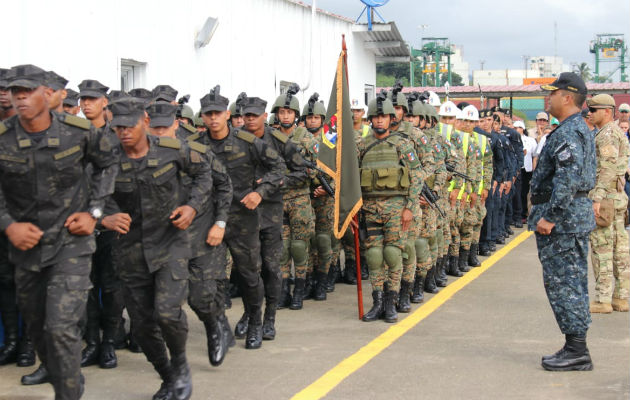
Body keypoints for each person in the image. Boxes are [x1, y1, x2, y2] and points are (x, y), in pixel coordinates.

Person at [0, 64, 119, 399]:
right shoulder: (4, 136)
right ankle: (66, 379)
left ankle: (67, 393)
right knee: (39, 330)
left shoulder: (78, 131)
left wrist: (94, 213)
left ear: (47, 94)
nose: (20, 98)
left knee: (61, 328)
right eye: (15, 92)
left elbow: (108, 164)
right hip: (27, 247)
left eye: (28, 91)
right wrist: (8, 225)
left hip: (71, 244)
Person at [103, 97, 215, 400]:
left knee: (167, 313)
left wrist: (192, 207)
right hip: (130, 249)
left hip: (170, 243)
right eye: (118, 127)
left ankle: (180, 364)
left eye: (129, 126)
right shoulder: (107, 157)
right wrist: (105, 216)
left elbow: (204, 175)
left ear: (145, 122)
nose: (124, 132)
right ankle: (167, 375)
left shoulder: (172, 149)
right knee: (141, 326)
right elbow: (92, 194)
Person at [198, 91, 286, 350]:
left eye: (218, 113)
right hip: (210, 221)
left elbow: (278, 167)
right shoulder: (195, 145)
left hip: (242, 220)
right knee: (210, 278)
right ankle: (219, 326)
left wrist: (260, 193)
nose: (213, 119)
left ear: (227, 115)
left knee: (249, 275)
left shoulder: (247, 142)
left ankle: (256, 323)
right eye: (208, 114)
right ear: (202, 117)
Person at [529, 72, 596, 371]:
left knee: (565, 284)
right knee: (573, 282)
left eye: (553, 93)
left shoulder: (569, 132)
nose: (548, 97)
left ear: (567, 97)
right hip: (571, 219)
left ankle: (577, 351)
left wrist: (549, 217)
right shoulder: (574, 128)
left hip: (563, 222)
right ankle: (575, 346)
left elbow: (567, 180)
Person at [358, 94, 422, 323]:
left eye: (383, 117)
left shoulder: (402, 144)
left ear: (390, 119)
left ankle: (391, 302)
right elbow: (351, 179)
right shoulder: (361, 146)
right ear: (370, 120)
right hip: (370, 208)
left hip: (397, 207)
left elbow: (417, 176)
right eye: (375, 117)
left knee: (393, 254)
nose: (379, 121)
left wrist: (410, 207)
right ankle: (377, 302)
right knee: (374, 256)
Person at [585, 94, 630, 313]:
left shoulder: (607, 135)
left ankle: (603, 299)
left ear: (607, 111)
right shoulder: (615, 132)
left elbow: (608, 167)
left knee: (602, 248)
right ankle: (620, 297)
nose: (590, 114)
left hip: (606, 198)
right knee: (620, 248)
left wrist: (597, 197)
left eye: (594, 110)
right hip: (617, 196)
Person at [514, 120, 537, 223]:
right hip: (516, 169)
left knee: (525, 192)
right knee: (516, 192)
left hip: (526, 169)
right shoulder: (511, 139)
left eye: (517, 128)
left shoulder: (530, 140)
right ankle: (517, 214)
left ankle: (524, 213)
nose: (516, 130)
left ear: (522, 129)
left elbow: (534, 155)